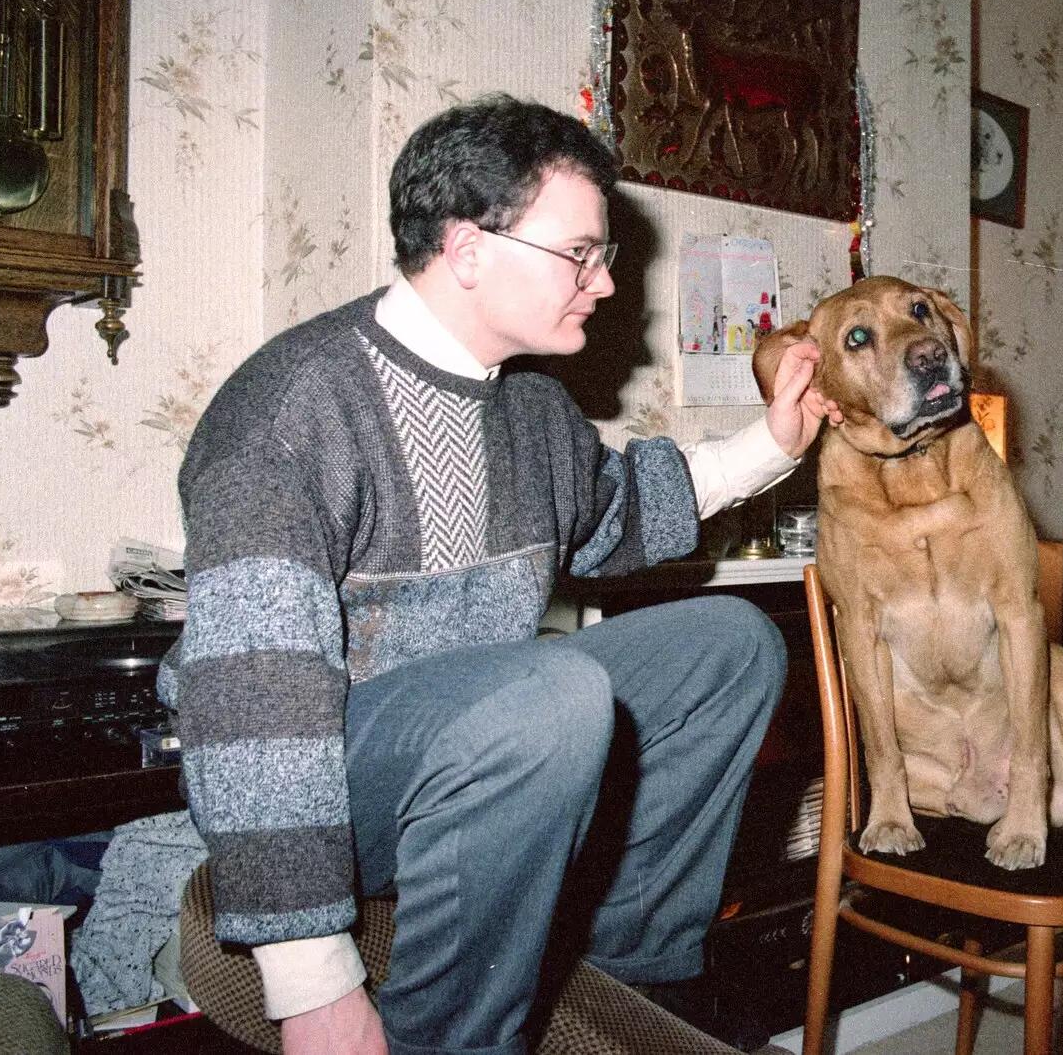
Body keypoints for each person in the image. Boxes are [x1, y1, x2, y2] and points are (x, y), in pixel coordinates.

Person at [159, 93, 838, 1055]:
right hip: (326, 784)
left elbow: (619, 515)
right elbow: (252, 705)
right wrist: (313, 981)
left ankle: (634, 968)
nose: (605, 284)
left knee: (726, 647)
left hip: (481, 750)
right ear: (468, 248)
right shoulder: (292, 410)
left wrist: (770, 445)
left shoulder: (530, 412)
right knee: (547, 691)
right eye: (582, 253)